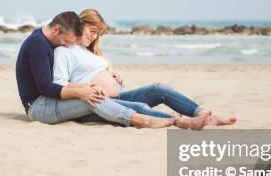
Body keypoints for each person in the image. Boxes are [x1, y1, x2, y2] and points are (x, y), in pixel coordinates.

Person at [52, 9, 237, 128]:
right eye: (91, 31)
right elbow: (60, 85)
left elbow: (93, 70)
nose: (93, 36)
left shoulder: (90, 51)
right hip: (106, 103)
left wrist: (110, 74)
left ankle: (202, 113)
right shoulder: (64, 51)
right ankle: (185, 122)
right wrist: (88, 88)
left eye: (97, 34)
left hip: (122, 94)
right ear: (80, 24)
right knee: (141, 108)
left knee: (160, 88)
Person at [15, 11, 174, 128]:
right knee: (92, 99)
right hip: (38, 106)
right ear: (56, 30)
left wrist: (88, 86)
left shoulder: (49, 41)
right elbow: (46, 87)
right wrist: (83, 91)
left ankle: (169, 119)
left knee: (95, 99)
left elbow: (62, 80)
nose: (68, 45)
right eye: (66, 41)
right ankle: (141, 120)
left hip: (50, 101)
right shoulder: (38, 44)